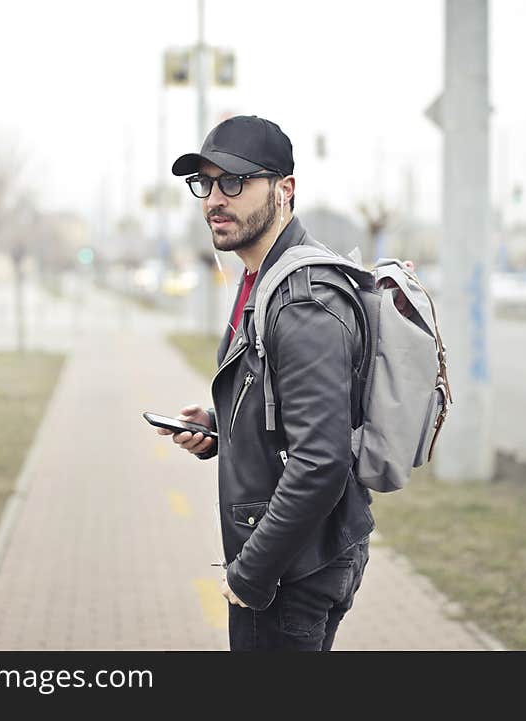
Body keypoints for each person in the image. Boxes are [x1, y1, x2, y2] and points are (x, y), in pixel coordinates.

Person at [158, 115, 376, 651]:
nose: (214, 198)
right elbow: (288, 413)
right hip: (290, 556)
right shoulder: (264, 277)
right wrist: (220, 431)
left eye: (234, 181)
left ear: (285, 190)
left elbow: (320, 460)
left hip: (289, 569)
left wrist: (251, 572)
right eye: (204, 183)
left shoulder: (302, 300)